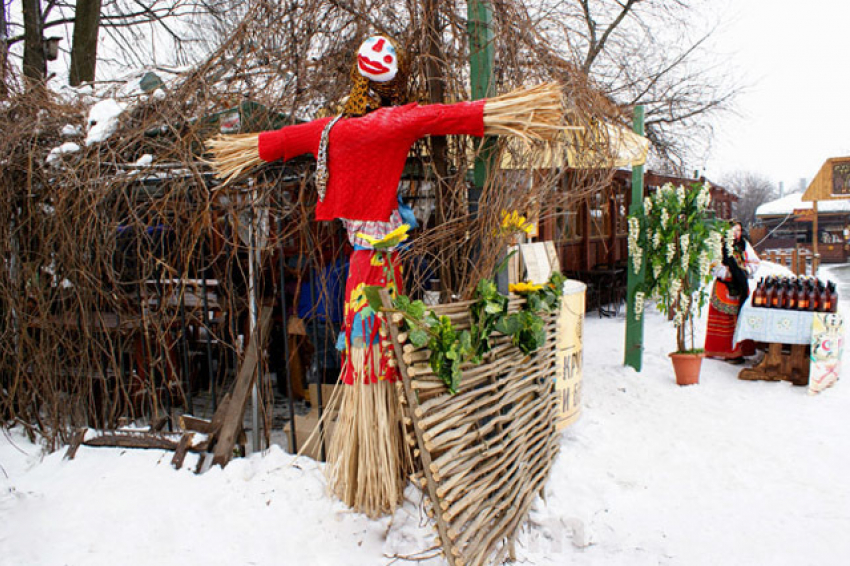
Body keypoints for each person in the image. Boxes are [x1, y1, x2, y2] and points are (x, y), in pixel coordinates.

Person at [704, 221, 760, 363]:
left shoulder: (744, 245)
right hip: (725, 286)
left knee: (740, 318)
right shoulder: (718, 245)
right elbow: (712, 264)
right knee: (725, 320)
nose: (736, 233)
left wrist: (745, 270)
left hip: (741, 285)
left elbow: (755, 262)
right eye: (733, 230)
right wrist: (726, 272)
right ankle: (724, 351)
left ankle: (740, 350)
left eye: (739, 230)